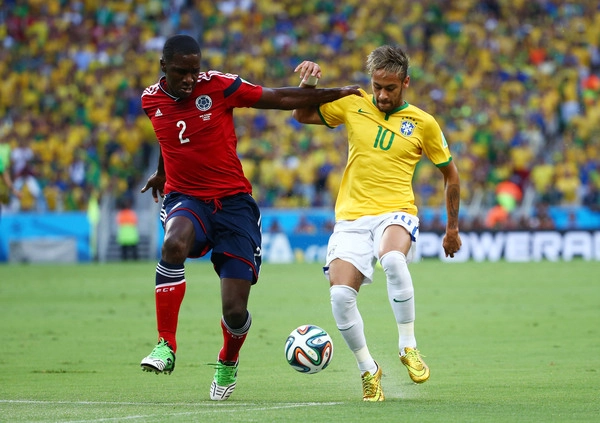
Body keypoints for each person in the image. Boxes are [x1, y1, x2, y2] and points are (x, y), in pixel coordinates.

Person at [138, 34, 360, 401]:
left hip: (234, 204)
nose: (190, 79)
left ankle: (228, 360)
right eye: (181, 72)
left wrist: (335, 92)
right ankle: (165, 345)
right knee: (173, 243)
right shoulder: (151, 99)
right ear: (164, 67)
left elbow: (279, 98)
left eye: (194, 71)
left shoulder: (220, 87)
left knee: (235, 309)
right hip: (187, 197)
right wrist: (163, 173)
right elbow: (170, 139)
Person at [292, 45, 462, 401]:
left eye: (390, 88)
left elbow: (451, 175)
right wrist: (307, 84)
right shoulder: (354, 103)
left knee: (393, 259)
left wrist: (452, 228)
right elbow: (302, 114)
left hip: (395, 210)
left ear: (406, 83)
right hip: (351, 218)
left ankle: (408, 346)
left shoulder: (424, 123)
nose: (382, 95)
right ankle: (369, 369)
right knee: (339, 297)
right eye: (377, 87)